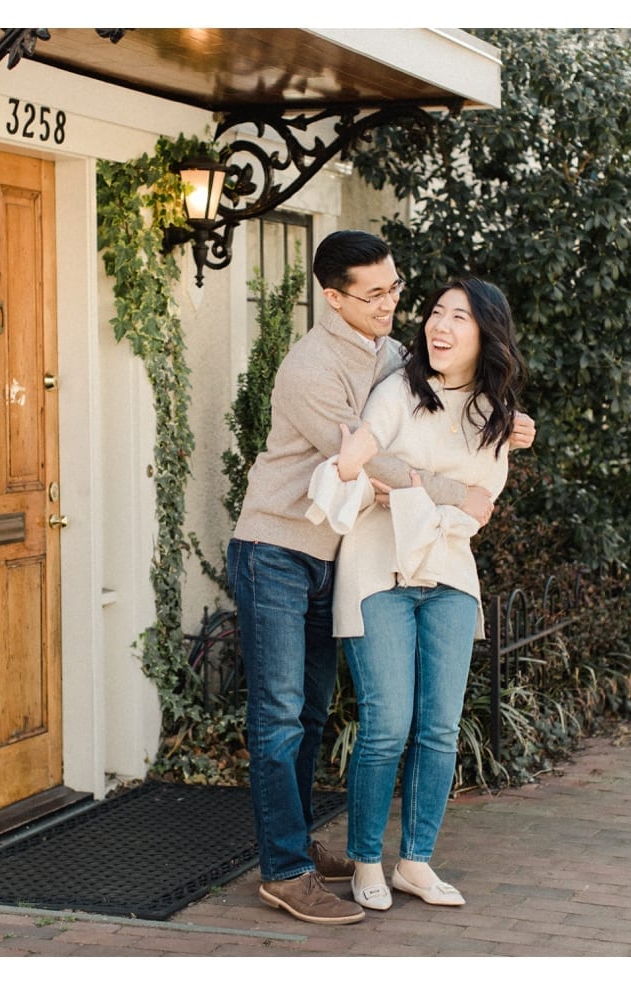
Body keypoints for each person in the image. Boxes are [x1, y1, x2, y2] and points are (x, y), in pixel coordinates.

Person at [227, 232, 497, 926]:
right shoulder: (310, 368)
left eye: (394, 287)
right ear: (333, 297)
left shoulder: (389, 354)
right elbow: (371, 461)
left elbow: (442, 401)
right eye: (373, 293)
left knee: (312, 713)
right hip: (278, 548)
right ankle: (284, 869)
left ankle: (298, 844)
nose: (391, 303)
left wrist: (512, 420)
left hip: (332, 555)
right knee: (281, 714)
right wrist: (454, 492)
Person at [306, 277, 533, 912]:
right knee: (387, 726)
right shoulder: (400, 389)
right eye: (436, 313)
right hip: (378, 572)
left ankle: (416, 861)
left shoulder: (495, 418)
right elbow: (361, 458)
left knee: (439, 728)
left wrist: (410, 492)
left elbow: (480, 510)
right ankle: (366, 860)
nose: (439, 326)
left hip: (452, 581)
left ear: (485, 333)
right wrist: (439, 490)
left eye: (458, 318)